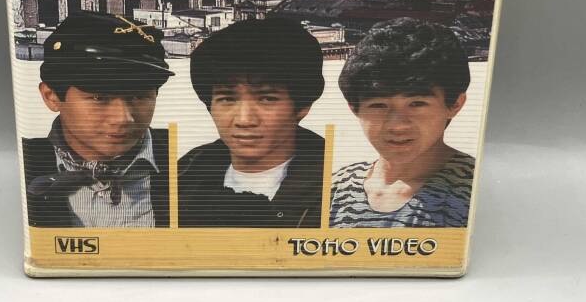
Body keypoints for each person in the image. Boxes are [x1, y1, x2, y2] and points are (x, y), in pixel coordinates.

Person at [22, 11, 174, 227]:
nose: (123, 118)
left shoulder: (188, 163)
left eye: (138, 96)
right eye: (99, 97)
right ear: (51, 97)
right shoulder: (23, 165)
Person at [178, 18, 326, 227]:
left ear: (302, 106)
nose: (244, 120)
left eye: (266, 99)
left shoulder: (339, 184)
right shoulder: (181, 176)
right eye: (227, 99)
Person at [329, 18, 473, 228]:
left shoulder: (479, 191)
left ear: (455, 105)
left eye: (417, 104)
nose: (397, 125)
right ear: (354, 109)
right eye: (379, 105)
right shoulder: (334, 188)